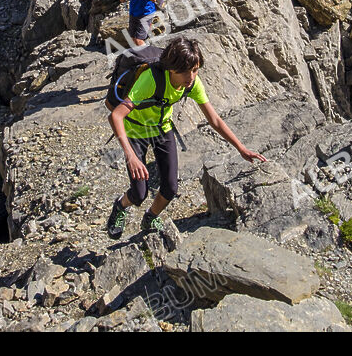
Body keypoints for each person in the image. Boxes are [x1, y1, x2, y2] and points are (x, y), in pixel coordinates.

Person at [105, 36, 266, 237]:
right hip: (135, 130)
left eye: (195, 70)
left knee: (170, 188)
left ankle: (150, 217)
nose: (191, 77)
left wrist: (241, 148)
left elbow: (214, 119)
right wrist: (130, 156)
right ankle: (120, 206)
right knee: (139, 193)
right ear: (171, 68)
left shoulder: (191, 83)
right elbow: (116, 115)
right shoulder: (150, 79)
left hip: (162, 128)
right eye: (185, 71)